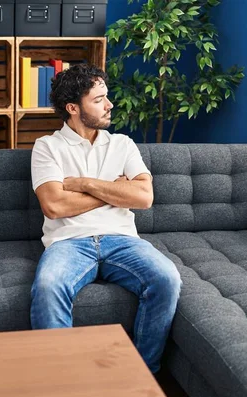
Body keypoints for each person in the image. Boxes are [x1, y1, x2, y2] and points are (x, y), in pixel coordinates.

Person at [29, 64, 181, 373]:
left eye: (106, 97)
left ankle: (142, 374)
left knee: (167, 278)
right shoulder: (47, 147)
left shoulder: (122, 144)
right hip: (68, 242)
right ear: (73, 108)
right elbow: (55, 206)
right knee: (47, 286)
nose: (110, 105)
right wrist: (116, 189)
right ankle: (60, 379)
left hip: (122, 240)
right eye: (99, 100)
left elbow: (144, 198)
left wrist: (84, 183)